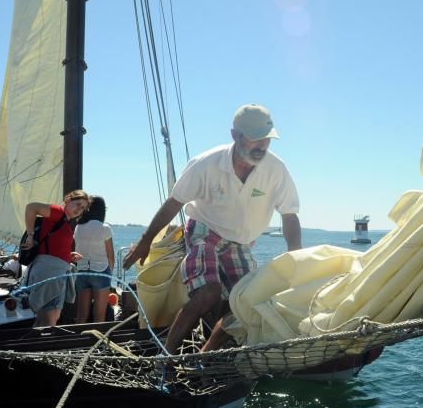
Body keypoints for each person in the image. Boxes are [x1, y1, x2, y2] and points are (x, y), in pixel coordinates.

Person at [123, 104, 301, 353]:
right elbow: (175, 202)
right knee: (209, 292)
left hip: (241, 242)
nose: (262, 145)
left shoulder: (276, 170)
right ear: (235, 135)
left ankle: (206, 357)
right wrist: (145, 240)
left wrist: (296, 259)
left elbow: (289, 215)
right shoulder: (206, 164)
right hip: (204, 231)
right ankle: (167, 356)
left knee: (245, 304)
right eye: (255, 138)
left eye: (266, 139)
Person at [21, 189, 91, 327]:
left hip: (56, 271)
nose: (79, 209)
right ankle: (41, 346)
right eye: (77, 204)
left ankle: (36, 346)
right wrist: (30, 235)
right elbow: (31, 207)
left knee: (49, 317)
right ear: (67, 201)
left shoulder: (65, 221)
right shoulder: (58, 212)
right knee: (49, 318)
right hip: (49, 270)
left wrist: (68, 256)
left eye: (83, 208)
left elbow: (54, 245)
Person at [73, 196, 115, 324]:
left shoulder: (78, 227)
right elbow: (111, 256)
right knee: (99, 316)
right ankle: (97, 343)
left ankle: (79, 342)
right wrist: (110, 275)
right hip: (100, 272)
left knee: (81, 315)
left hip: (82, 272)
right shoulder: (105, 228)